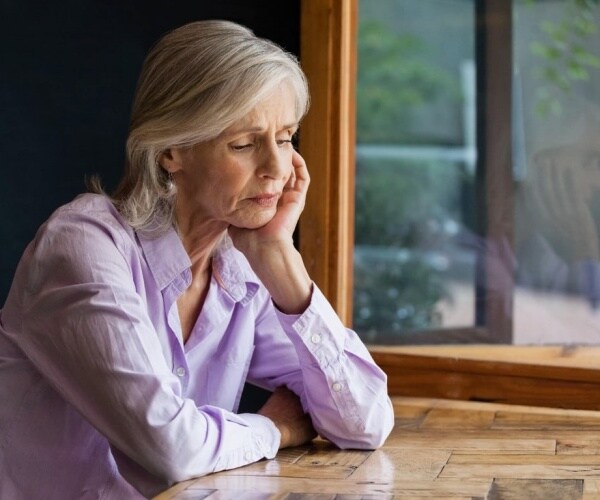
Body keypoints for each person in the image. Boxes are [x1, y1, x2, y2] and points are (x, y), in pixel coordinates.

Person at [0, 20, 394, 499]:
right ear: (171, 150)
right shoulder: (81, 247)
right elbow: (171, 449)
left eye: (287, 137)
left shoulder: (241, 263)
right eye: (245, 144)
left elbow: (365, 423)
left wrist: (279, 256)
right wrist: (274, 430)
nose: (276, 168)